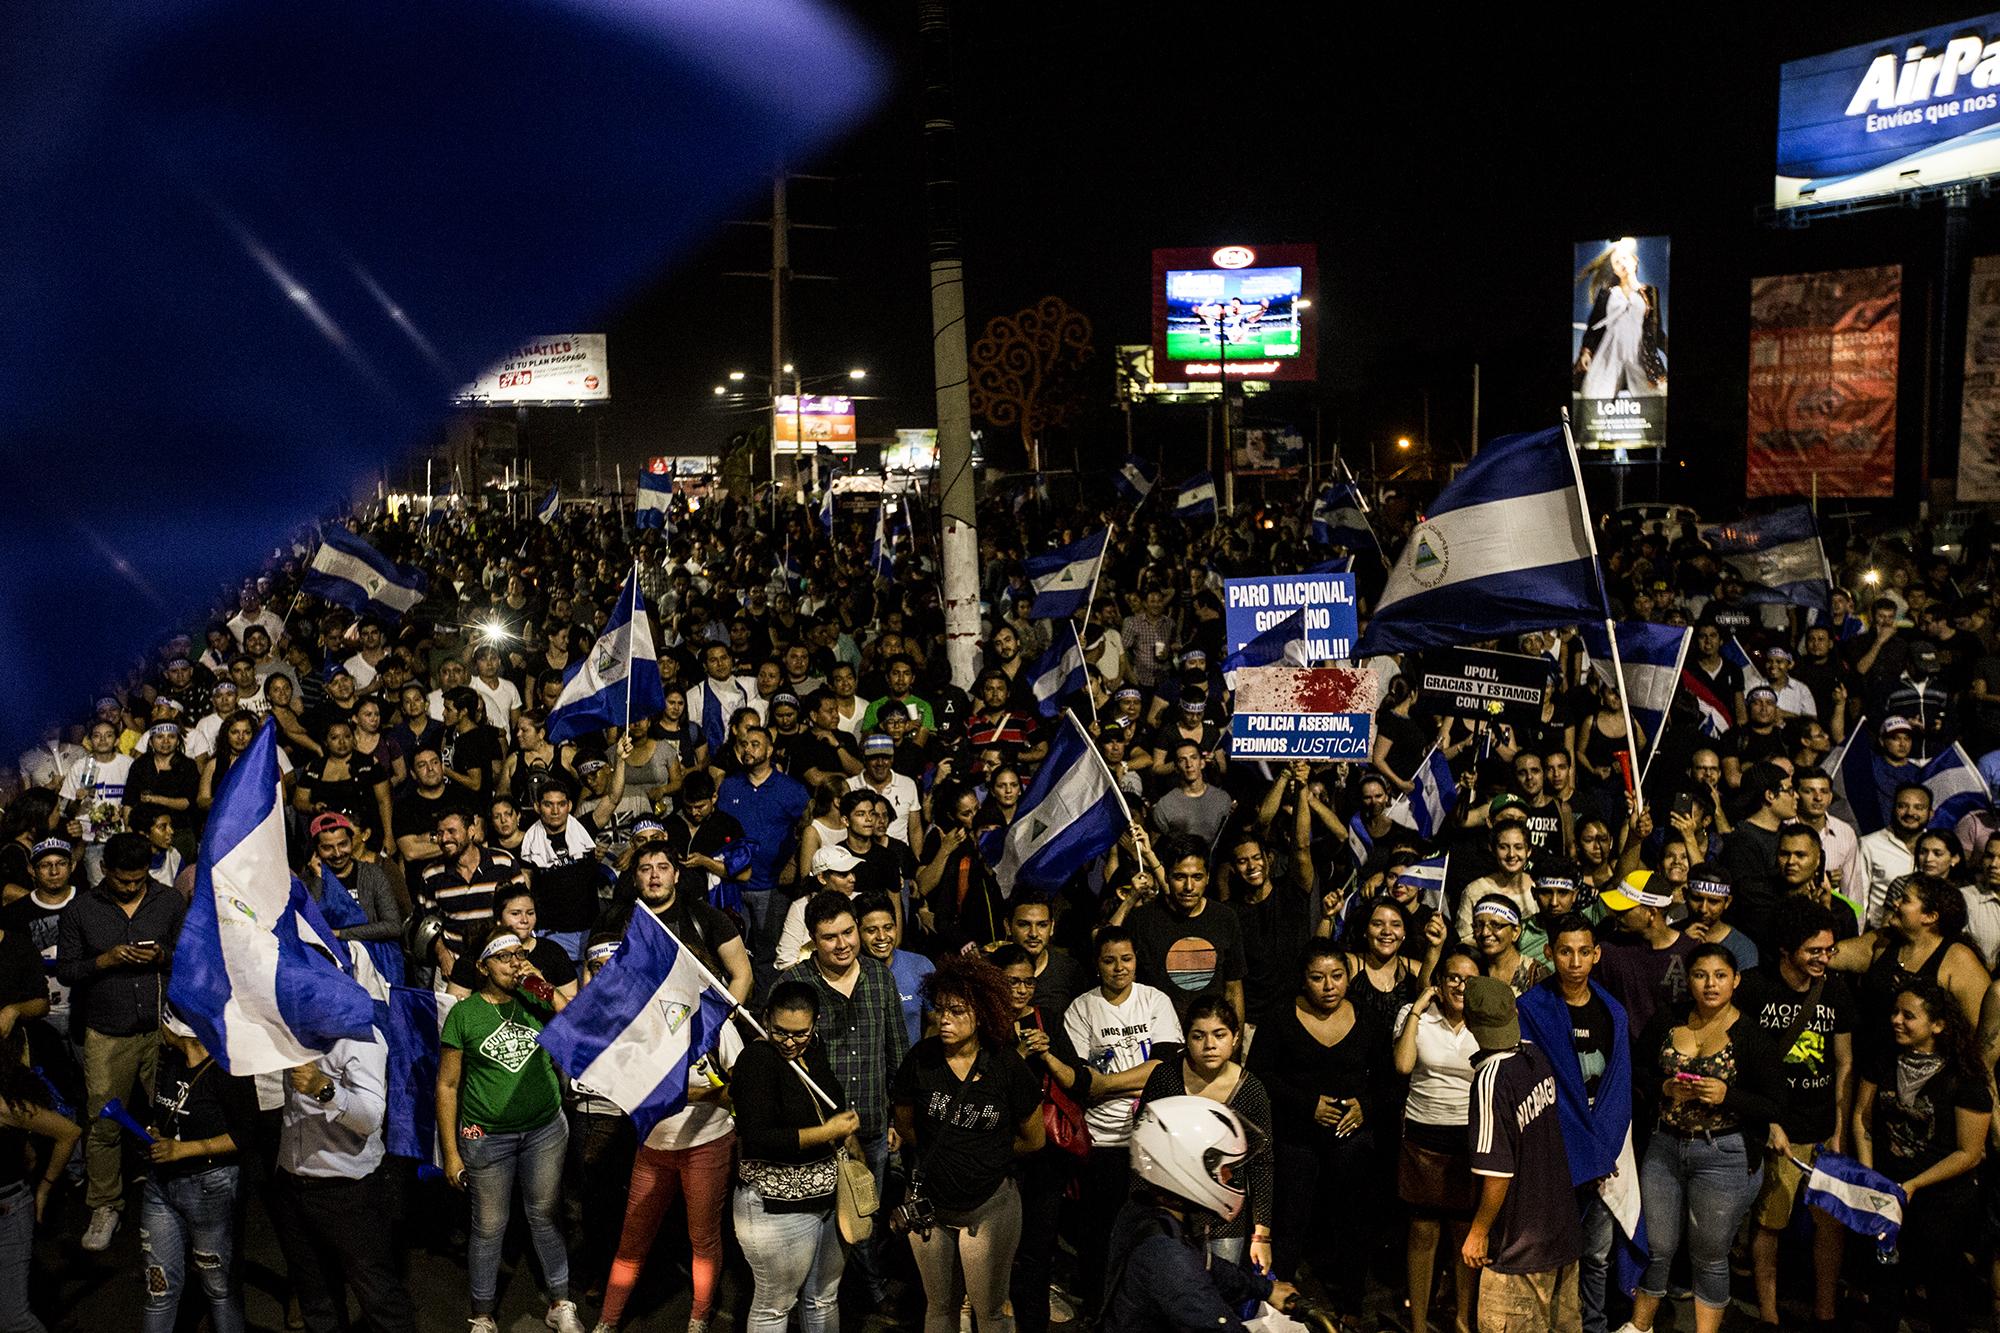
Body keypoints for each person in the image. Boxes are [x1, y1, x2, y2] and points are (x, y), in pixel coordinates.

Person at [1622, 944, 1786, 1333]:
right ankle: (1638, 1326)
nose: (1710, 984)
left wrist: (1729, 1096)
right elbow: (1637, 1068)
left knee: (1710, 1254)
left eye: (1720, 976)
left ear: (1736, 980)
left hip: (1723, 1152)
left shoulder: (1751, 1035)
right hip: (1665, 1145)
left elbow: (1776, 1104)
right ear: (1688, 980)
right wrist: (1664, 1086)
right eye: (1700, 975)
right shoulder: (1668, 1018)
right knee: (1657, 1246)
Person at [436, 932, 586, 1333]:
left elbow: (574, 1027)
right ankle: (483, 1315)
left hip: (544, 1131)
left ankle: (560, 1302)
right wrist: (450, 1153)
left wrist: (542, 984)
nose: (514, 963)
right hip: (487, 1137)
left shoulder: (534, 998)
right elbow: (447, 1086)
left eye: (519, 955)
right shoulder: (464, 1014)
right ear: (483, 967)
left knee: (544, 1215)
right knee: (488, 1226)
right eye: (503, 958)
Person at [593, 934, 743, 1333]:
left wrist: (678, 1091)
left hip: (706, 1145)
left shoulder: (717, 1025)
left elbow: (741, 1086)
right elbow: (629, 1081)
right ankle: (607, 1322)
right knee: (632, 1240)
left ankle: (698, 1317)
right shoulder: (642, 1025)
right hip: (654, 1146)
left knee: (703, 1239)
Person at [890, 953, 1045, 1333]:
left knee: (989, 1310)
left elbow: (1034, 1138)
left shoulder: (1006, 1066)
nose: (944, 1019)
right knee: (939, 1307)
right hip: (931, 1206)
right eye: (940, 1009)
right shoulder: (921, 1059)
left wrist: (986, 1156)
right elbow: (906, 1124)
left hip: (990, 1206)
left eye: (957, 1010)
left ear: (981, 1012)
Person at [780, 891, 911, 1315]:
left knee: (863, 1217)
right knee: (814, 1223)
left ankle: (869, 1290)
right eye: (829, 936)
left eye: (848, 932)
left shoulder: (879, 977)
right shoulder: (793, 983)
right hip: (816, 1135)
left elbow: (897, 1052)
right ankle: (816, 1298)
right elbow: (779, 1063)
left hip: (871, 1128)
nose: (843, 944)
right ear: (812, 940)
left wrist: (896, 1117)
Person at [56, 829, 183, 1251]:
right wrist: (104, 960)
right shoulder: (80, 910)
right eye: (123, 880)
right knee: (105, 1122)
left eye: (139, 879)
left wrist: (162, 955)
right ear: (103, 869)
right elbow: (67, 971)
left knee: (172, 1115)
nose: (132, 886)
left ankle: (180, 1193)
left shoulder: (167, 901)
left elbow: (188, 954)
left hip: (163, 1028)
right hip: (107, 1032)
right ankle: (106, 1203)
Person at [1246, 941, 1382, 1325]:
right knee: (1290, 1219)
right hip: (1295, 1136)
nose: (1328, 986)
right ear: (1303, 980)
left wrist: (1363, 1107)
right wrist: (1308, 1104)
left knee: (1352, 1221)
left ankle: (1352, 1306)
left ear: (1349, 976)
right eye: (1318, 977)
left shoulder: (1368, 1019)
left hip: (1351, 1138)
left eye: (1336, 976)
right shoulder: (1280, 1017)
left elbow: (1389, 1080)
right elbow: (1260, 1075)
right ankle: (1281, 1305)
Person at [1735, 899, 1855, 1333]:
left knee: (1830, 1225)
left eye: (1828, 950)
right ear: (1787, 950)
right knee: (1770, 1222)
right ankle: (1768, 1314)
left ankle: (1825, 1313)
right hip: (1776, 1126)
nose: (1823, 959)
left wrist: (1840, 1131)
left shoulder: (1835, 990)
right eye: (1813, 951)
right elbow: (1740, 1060)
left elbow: (1843, 1062)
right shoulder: (1754, 988)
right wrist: (1767, 1122)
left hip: (1822, 1126)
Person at [1516, 914, 1636, 1333]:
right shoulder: (1530, 1010)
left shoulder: (1612, 1011)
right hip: (1552, 1153)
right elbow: (1534, 1088)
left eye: (1584, 951)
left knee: (1597, 1255)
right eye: (1565, 951)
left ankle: (1594, 1326)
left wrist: (1602, 1150)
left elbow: (1619, 1087)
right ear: (1549, 953)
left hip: (1603, 1154)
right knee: (1547, 1249)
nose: (1575, 961)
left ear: (1597, 954)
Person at [1852, 977, 1991, 1333]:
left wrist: (1912, 1184)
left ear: (1938, 1025)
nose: (1896, 1020)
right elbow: (1862, 1119)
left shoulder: (1964, 1076)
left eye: (1908, 1015)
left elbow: (1970, 1153)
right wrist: (1871, 1179)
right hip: (1888, 1196)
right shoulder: (1884, 1059)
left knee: (1944, 1297)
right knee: (1883, 1289)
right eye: (1895, 1012)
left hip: (1943, 1203)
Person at [1099, 1097, 1304, 1333]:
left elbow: (1203, 1264)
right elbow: (1214, 1322)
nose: (1229, 1179)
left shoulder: (1149, 1213)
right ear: (1187, 1167)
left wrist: (1264, 1289)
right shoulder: (1166, 1255)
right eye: (1223, 1170)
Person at [1064, 924, 1183, 1313]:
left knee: (1150, 1231)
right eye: (1110, 960)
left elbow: (1163, 1069)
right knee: (1101, 1234)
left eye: (1126, 959)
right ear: (1097, 964)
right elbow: (1083, 1084)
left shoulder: (1155, 1001)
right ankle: (1102, 1308)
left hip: (1151, 1138)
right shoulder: (1081, 1009)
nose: (1119, 968)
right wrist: (1131, 1081)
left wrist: (1108, 1083)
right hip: (1102, 1141)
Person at [731, 979, 858, 1333]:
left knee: (823, 1298)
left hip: (828, 1200)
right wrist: (828, 1133)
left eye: (799, 1033)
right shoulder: (756, 1059)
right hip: (776, 1208)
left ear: (815, 1023)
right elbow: (758, 1137)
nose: (789, 1042)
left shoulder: (812, 1049)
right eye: (780, 1031)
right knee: (775, 1305)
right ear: (767, 1017)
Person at [1461, 976, 1584, 1333]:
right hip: (1560, 1235)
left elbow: (1498, 1173)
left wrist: (1479, 1231)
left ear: (1469, 1023)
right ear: (1514, 1012)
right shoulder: (1534, 1057)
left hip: (1518, 1250)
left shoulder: (1490, 1080)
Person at [274, 1032, 418, 1333]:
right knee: (316, 1300)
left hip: (348, 1191)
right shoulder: (292, 1028)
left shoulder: (360, 1035)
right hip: (293, 1184)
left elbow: (370, 1117)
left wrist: (323, 1089)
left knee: (379, 1299)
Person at [141, 1010, 257, 1333]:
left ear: (182, 1029)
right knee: (158, 1289)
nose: (160, 1027)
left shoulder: (226, 1068)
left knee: (219, 1288)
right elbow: (169, 1110)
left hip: (210, 1186)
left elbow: (246, 1134)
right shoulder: (171, 1060)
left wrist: (182, 1150)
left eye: (164, 1020)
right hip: (161, 1187)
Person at [1391, 945, 1481, 1333]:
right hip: (1422, 1135)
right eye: (1453, 977)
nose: (1461, 985)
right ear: (1440, 983)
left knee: (1465, 1235)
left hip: (1470, 1138)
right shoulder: (1417, 1018)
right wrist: (1417, 1006)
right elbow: (1403, 1064)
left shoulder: (1488, 1022)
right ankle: (1417, 1322)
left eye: (1469, 978)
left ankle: (1463, 1319)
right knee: (1423, 1231)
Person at [1114, 831, 1246, 1023]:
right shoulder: (1142, 920)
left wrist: (1235, 1044)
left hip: (1210, 1038)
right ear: (1166, 877)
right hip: (1157, 1037)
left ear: (1208, 877)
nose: (1189, 886)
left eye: (1197, 877)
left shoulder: (1225, 918)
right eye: (1180, 877)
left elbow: (1234, 990)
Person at [0, 1027, 81, 1333]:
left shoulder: (5, 1106)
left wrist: (45, 1188)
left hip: (7, 1212)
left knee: (12, 1319)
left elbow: (68, 1132)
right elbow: (29, 1155)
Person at [857, 890, 932, 1046]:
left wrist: (920, 1061)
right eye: (871, 930)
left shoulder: (920, 966)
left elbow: (937, 1020)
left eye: (888, 927)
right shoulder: (848, 972)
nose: (882, 937)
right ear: (857, 932)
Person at [1680, 864, 1758, 972]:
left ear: (1727, 902)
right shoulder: (1668, 933)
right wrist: (1679, 946)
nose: (1703, 909)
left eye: (1713, 901)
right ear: (1684, 895)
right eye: (1697, 899)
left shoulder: (1742, 948)